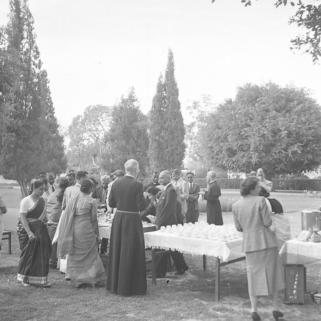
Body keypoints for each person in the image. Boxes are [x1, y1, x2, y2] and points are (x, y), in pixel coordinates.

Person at [232, 177, 284, 321]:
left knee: (253, 277)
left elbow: (238, 227)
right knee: (274, 275)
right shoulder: (261, 201)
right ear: (253, 188)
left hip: (250, 245)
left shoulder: (235, 205)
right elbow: (268, 222)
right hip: (267, 243)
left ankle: (254, 310)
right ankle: (275, 308)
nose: (260, 189)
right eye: (258, 187)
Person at [107, 159, 147, 296]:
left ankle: (116, 285)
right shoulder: (137, 184)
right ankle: (131, 286)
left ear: (126, 169)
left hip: (118, 218)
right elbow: (141, 206)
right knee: (131, 250)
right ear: (136, 170)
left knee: (118, 250)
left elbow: (111, 203)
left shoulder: (115, 183)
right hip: (132, 220)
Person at [57, 178, 105, 287]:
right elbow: (93, 219)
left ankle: (77, 278)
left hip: (75, 228)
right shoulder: (91, 201)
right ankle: (90, 278)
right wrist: (96, 233)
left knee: (76, 253)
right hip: (86, 228)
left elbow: (68, 214)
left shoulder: (74, 199)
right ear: (91, 188)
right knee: (90, 253)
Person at [17, 179, 52, 287]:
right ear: (33, 188)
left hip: (41, 230)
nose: (42, 191)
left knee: (42, 254)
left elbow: (43, 217)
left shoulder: (43, 200)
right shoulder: (25, 201)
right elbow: (23, 218)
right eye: (40, 189)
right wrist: (29, 233)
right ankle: (24, 278)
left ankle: (40, 280)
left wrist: (47, 221)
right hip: (29, 231)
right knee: (29, 254)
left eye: (43, 189)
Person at [156, 170, 188, 275]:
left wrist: (159, 223)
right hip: (166, 223)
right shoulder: (166, 190)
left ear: (168, 178)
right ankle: (181, 266)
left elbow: (168, 209)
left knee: (165, 247)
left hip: (167, 224)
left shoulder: (171, 191)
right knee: (171, 247)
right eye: (159, 178)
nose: (159, 180)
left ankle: (161, 272)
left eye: (161, 178)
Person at [46, 177, 69, 268]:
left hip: (51, 219)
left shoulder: (53, 194)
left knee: (52, 241)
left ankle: (52, 260)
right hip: (59, 219)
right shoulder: (65, 194)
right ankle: (56, 260)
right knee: (58, 241)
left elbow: (48, 207)